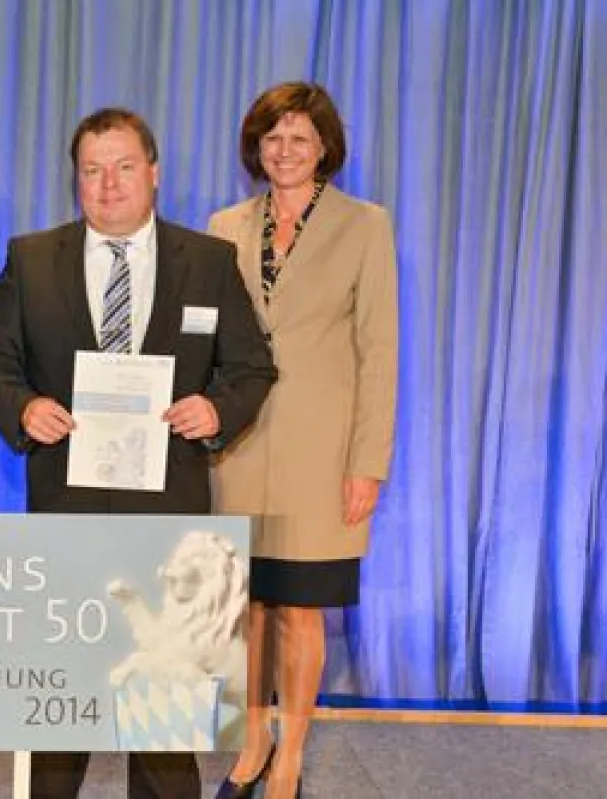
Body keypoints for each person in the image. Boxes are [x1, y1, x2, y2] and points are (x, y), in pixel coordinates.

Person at [0, 108, 278, 799]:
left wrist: (215, 409)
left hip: (170, 516)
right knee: (61, 712)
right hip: (64, 511)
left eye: (125, 166)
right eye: (92, 170)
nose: (108, 184)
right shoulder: (30, 256)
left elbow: (251, 368)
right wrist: (21, 405)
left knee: (163, 723)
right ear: (76, 178)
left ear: (154, 173)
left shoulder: (207, 260)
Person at [207, 82, 398, 799]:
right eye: (272, 139)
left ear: (325, 149)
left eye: (300, 139)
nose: (285, 151)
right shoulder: (224, 224)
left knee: (298, 607)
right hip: (239, 445)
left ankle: (291, 754)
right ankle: (251, 741)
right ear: (256, 148)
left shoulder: (364, 225)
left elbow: (380, 352)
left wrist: (367, 463)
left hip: (323, 452)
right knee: (244, 606)